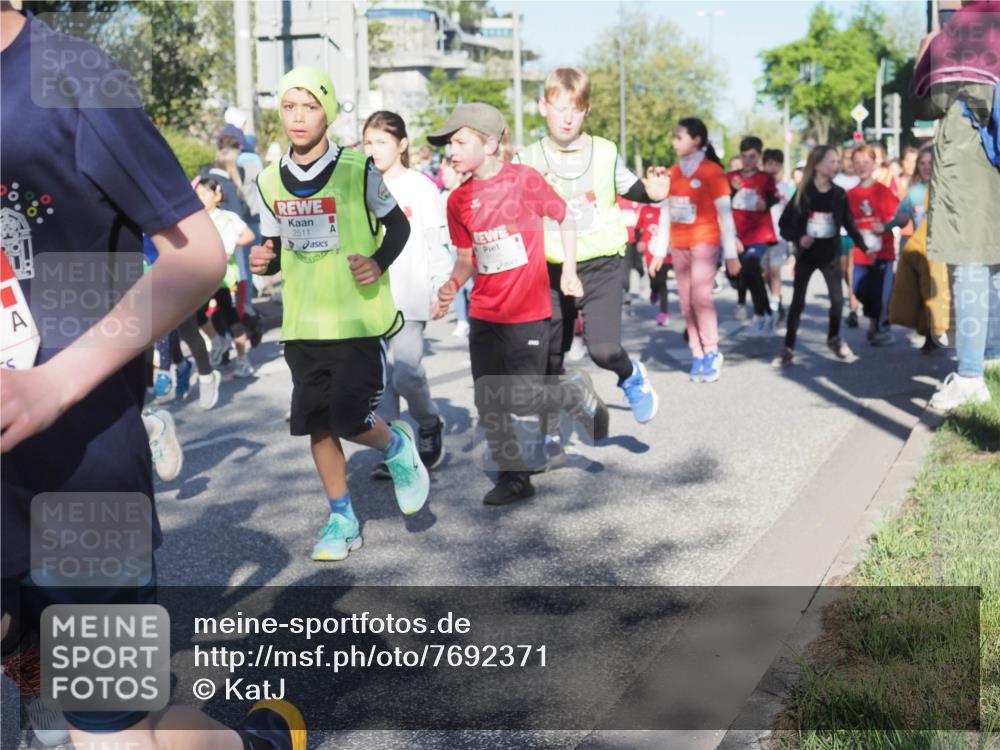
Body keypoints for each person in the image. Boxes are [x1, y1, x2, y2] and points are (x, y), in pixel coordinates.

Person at [0, 5, 306, 748]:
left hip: (78, 479)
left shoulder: (70, 75)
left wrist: (52, 385)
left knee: (111, 724)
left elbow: (196, 255)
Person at [249, 66, 428, 561]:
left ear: (327, 113)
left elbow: (398, 228)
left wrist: (377, 261)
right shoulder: (268, 181)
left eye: (310, 107)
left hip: (356, 319)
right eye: (289, 106)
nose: (298, 117)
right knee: (318, 425)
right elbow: (277, 251)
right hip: (302, 321)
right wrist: (265, 260)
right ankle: (342, 519)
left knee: (349, 418)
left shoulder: (358, 169)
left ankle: (396, 446)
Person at [431, 102, 608, 505]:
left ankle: (571, 393)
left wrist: (568, 271)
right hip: (484, 312)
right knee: (487, 398)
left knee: (523, 398)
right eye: (450, 144)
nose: (452, 151)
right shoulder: (457, 201)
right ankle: (513, 478)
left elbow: (564, 217)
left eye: (460, 142)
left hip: (527, 312)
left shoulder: (523, 180)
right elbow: (467, 257)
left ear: (490, 144)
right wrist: (451, 285)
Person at [516, 66, 665, 455]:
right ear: (543, 107)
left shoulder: (605, 151)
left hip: (600, 263)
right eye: (559, 107)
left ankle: (631, 376)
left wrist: (654, 192)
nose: (567, 117)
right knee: (548, 354)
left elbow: (634, 189)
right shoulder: (527, 157)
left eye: (576, 108)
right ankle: (549, 432)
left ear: (587, 111)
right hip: (549, 267)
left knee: (603, 350)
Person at [913, 0, 1000, 410]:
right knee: (993, 262)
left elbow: (930, 103)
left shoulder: (963, 28)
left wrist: (926, 53)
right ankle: (993, 356)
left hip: (969, 156)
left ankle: (969, 376)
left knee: (969, 263)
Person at [362, 110, 449, 475]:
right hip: (370, 299)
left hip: (410, 296)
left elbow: (435, 243)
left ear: (402, 145)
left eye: (381, 141)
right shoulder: (360, 186)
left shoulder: (421, 187)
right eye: (368, 142)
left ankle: (428, 422)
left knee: (406, 374)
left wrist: (441, 286)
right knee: (380, 382)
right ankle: (397, 450)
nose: (373, 149)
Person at [648, 118, 742, 382]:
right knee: (686, 302)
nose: (674, 142)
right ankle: (697, 353)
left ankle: (711, 351)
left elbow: (725, 215)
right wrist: (658, 251)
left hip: (705, 240)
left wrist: (731, 255)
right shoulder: (673, 173)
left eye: (680, 137)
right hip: (679, 244)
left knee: (701, 296)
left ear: (697, 139)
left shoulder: (712, 171)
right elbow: (665, 214)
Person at [772, 145, 870, 368]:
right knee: (797, 303)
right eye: (831, 161)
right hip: (806, 256)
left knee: (837, 301)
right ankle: (788, 347)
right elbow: (784, 225)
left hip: (830, 256)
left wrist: (865, 248)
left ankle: (834, 338)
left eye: (837, 161)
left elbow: (849, 224)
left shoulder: (839, 194)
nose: (836, 165)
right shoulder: (803, 193)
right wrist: (799, 238)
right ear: (817, 165)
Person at [196, 176, 256, 378]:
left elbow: (229, 251)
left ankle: (243, 360)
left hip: (226, 278)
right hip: (205, 278)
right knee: (197, 315)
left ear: (217, 195)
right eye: (197, 194)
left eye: (204, 194)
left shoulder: (227, 219)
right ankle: (217, 342)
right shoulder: (196, 220)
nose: (200, 198)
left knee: (232, 319)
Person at [847, 145, 901, 346]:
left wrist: (885, 226)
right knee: (859, 289)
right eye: (857, 162)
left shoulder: (883, 191)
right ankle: (874, 320)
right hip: (861, 253)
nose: (861, 166)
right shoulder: (850, 194)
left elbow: (901, 217)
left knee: (880, 293)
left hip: (882, 252)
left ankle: (880, 328)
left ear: (874, 165)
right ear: (852, 166)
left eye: (866, 162)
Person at [727, 136, 779, 336]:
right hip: (737, 234)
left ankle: (760, 314)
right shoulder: (731, 177)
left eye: (752, 156)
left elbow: (774, 197)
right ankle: (767, 312)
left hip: (760, 233)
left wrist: (766, 204)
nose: (748, 160)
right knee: (746, 273)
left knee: (750, 264)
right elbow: (721, 203)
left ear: (758, 157)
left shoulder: (765, 178)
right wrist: (733, 191)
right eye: (744, 156)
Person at [438, 154, 474, 337]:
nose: (443, 178)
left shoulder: (464, 195)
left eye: (447, 174)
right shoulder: (442, 195)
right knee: (457, 286)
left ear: (458, 174)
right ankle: (462, 320)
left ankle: (473, 318)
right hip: (450, 247)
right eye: (442, 174)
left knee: (470, 286)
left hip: (467, 249)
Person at [762, 148, 794, 322]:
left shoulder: (785, 188)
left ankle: (775, 305)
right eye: (769, 164)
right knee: (765, 273)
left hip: (779, 236)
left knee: (775, 270)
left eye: (776, 164)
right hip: (761, 235)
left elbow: (791, 211)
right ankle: (777, 298)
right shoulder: (759, 186)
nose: (772, 168)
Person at [636, 201, 669, 325]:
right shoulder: (645, 209)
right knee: (654, 280)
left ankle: (663, 313)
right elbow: (637, 229)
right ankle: (653, 291)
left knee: (662, 283)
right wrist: (639, 241)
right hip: (650, 253)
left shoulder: (668, 208)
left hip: (665, 253)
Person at [618, 194, 644, 302]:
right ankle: (626, 291)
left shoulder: (637, 197)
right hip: (624, 239)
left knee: (638, 265)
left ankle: (645, 285)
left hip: (638, 237)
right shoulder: (618, 199)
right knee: (625, 265)